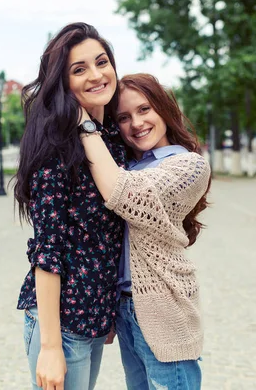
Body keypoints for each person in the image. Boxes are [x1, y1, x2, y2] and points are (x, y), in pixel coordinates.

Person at [79, 73, 212, 389]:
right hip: (126, 308)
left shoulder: (188, 165)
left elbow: (126, 195)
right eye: (123, 117)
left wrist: (84, 124)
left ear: (164, 110)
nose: (136, 123)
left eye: (144, 110)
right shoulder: (124, 167)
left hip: (165, 309)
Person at [14, 23, 126, 390]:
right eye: (79, 69)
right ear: (63, 83)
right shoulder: (56, 147)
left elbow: (108, 238)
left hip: (92, 322)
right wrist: (49, 347)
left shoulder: (109, 139)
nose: (96, 75)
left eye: (102, 62)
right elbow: (48, 250)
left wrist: (105, 313)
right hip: (60, 326)